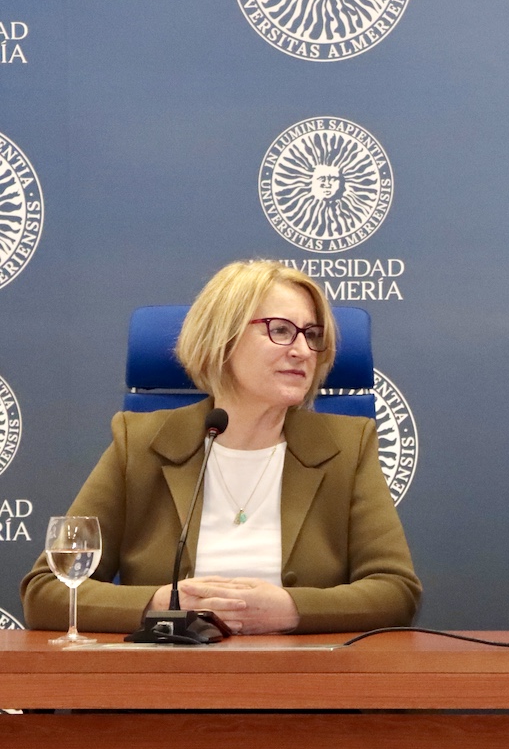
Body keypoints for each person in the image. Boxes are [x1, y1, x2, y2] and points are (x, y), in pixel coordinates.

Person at [20, 260, 420, 635]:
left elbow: (396, 590)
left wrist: (291, 609)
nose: (302, 350)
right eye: (280, 330)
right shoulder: (141, 443)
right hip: (168, 676)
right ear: (222, 338)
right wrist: (161, 604)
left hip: (303, 676)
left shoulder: (347, 446)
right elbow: (47, 590)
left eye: (312, 335)